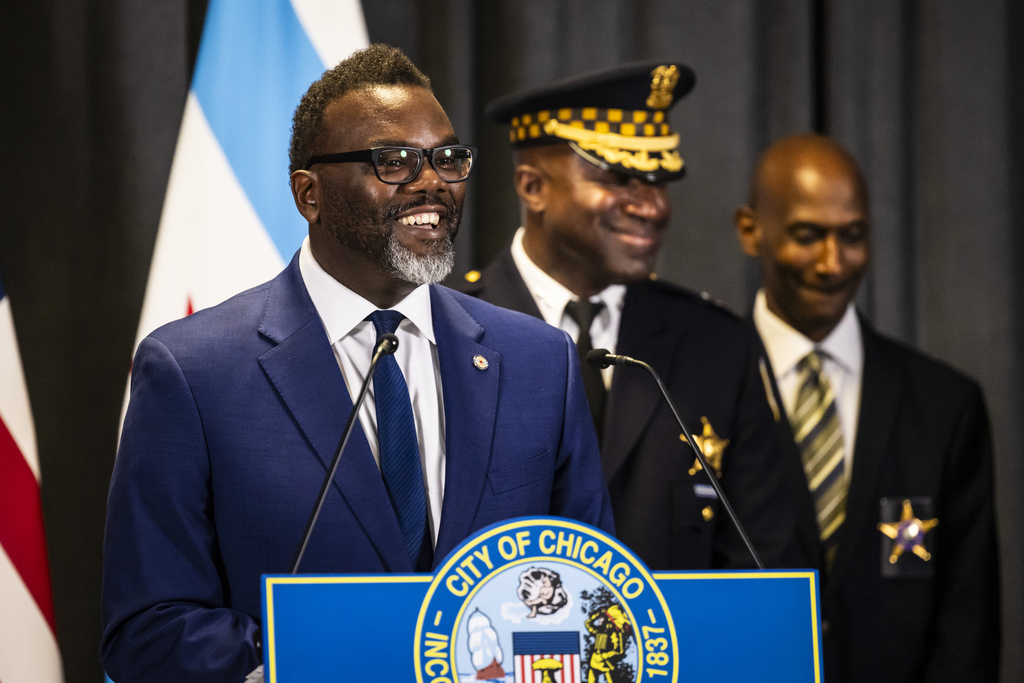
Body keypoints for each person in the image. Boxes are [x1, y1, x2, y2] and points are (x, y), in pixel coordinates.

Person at [100, 44, 613, 683]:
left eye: (447, 159)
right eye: (393, 161)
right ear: (309, 194)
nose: (432, 182)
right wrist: (318, 652)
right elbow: (147, 628)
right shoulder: (193, 371)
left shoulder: (541, 363)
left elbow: (597, 597)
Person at [458, 62, 806, 570]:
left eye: (659, 181)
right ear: (533, 188)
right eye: (619, 178)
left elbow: (765, 563)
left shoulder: (714, 346)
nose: (652, 207)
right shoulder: (446, 331)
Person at [734, 133, 999, 681]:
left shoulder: (946, 405)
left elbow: (967, 625)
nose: (833, 264)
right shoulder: (694, 390)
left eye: (852, 237)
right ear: (750, 230)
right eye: (808, 236)